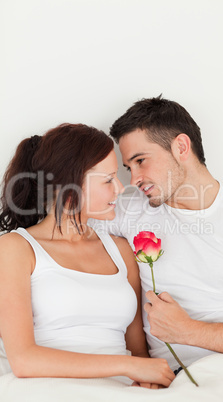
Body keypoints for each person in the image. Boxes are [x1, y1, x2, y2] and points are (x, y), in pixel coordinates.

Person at [91, 95, 223, 372]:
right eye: (129, 167)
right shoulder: (129, 209)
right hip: (174, 379)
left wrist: (189, 331)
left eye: (141, 161)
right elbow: (63, 227)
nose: (133, 179)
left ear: (181, 147)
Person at [0, 123, 175, 388]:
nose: (119, 188)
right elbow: (23, 360)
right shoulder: (16, 249)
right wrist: (128, 365)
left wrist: (145, 377)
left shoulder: (121, 251)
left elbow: (138, 350)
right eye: (108, 180)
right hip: (46, 388)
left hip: (122, 390)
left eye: (117, 176)